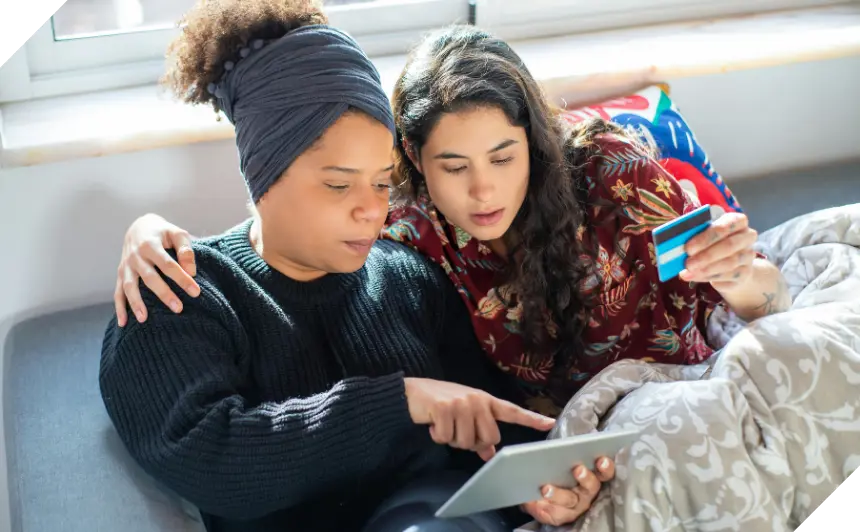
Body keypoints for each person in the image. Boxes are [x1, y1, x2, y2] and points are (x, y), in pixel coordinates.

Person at [109, 19, 792, 529]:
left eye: (381, 182)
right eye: (339, 183)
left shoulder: (407, 275)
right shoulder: (176, 292)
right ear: (261, 175)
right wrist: (400, 400)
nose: (370, 209)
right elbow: (215, 460)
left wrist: (544, 486)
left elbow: (493, 423)